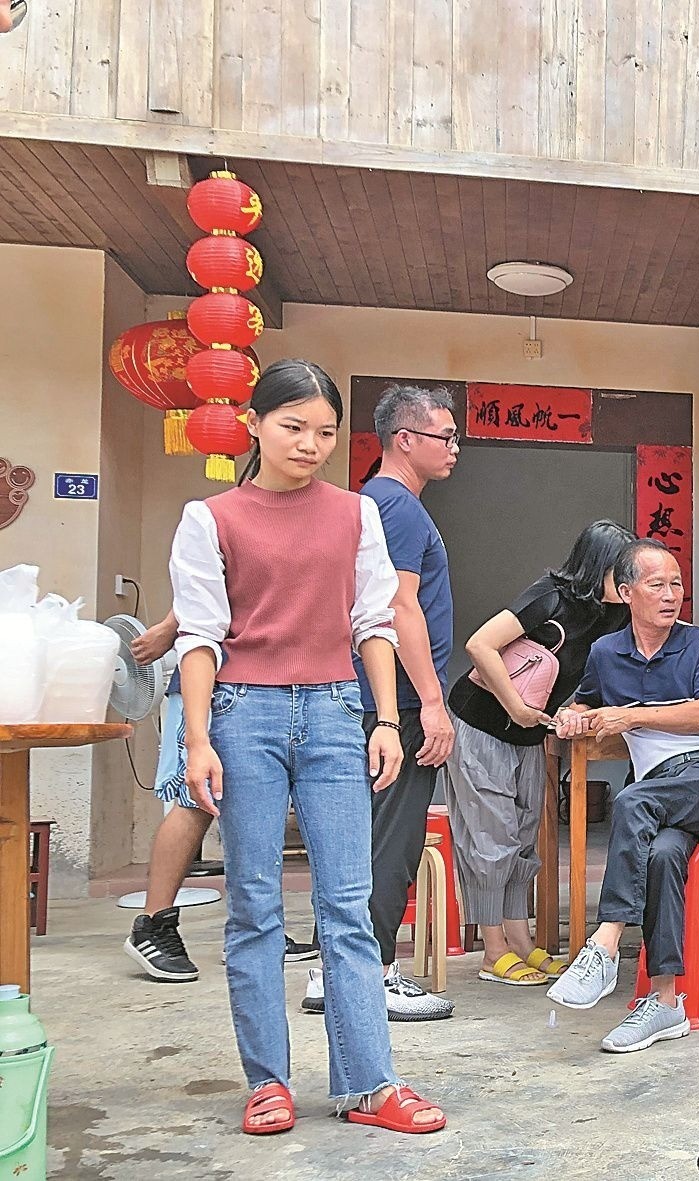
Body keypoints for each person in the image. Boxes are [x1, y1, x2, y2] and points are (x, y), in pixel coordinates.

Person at [172, 359, 443, 1135]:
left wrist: (387, 719)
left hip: (334, 711)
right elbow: (198, 636)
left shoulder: (356, 514)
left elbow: (374, 621)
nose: (310, 444)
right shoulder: (210, 517)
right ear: (253, 424)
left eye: (325, 431)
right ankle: (268, 1082)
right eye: (293, 427)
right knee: (253, 904)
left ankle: (369, 1083)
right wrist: (197, 738)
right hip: (240, 714)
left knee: (347, 906)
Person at [447, 523, 699, 986]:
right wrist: (525, 708)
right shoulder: (553, 599)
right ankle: (495, 950)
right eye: (645, 580)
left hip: (533, 732)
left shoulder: (617, 615)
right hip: (486, 720)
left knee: (523, 836)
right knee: (491, 838)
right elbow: (480, 644)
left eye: (671, 583)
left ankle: (545, 944)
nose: (663, 594)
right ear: (610, 575)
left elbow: (686, 635)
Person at [547, 540, 699, 1054]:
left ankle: (605, 943)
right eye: (657, 584)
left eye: (677, 584)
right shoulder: (605, 653)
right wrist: (575, 715)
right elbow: (587, 703)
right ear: (625, 592)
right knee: (660, 854)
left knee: (631, 801)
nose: (671, 595)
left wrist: (632, 715)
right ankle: (665, 1004)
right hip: (664, 795)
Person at [303, 385, 459, 1022]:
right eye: (443, 437)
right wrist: (430, 703)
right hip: (386, 705)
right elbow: (397, 608)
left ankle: (331, 971)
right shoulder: (394, 505)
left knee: (363, 838)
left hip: (374, 702)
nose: (454, 449)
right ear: (404, 440)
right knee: (388, 841)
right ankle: (374, 972)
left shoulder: (378, 502)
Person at [123, 611, 317, 981]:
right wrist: (170, 626)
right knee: (194, 801)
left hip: (259, 679)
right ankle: (151, 923)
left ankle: (253, 928)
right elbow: (205, 579)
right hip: (212, 678)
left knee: (251, 803)